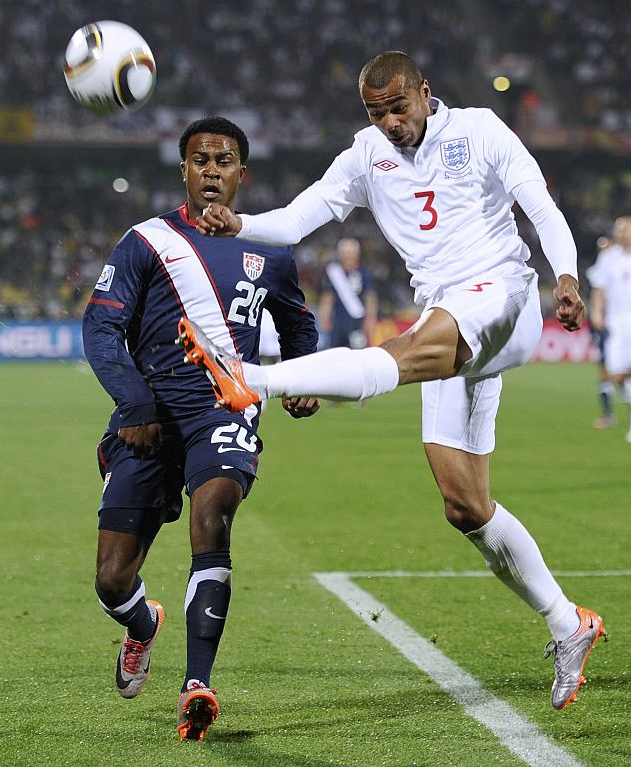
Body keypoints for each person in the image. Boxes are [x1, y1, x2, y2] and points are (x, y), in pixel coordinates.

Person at [180, 52, 606, 711]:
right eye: (376, 113)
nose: (389, 122)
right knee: (464, 504)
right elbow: (298, 217)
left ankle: (251, 379)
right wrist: (241, 224)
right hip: (451, 319)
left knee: (403, 349)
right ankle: (568, 623)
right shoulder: (364, 155)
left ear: (425, 94)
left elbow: (540, 206)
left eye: (397, 108)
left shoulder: (480, 130)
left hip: (504, 295)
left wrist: (568, 278)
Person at [82, 116, 319, 742]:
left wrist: (297, 380)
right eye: (200, 160)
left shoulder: (269, 248)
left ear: (242, 174)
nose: (212, 170)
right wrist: (134, 403)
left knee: (213, 510)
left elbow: (298, 327)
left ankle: (197, 684)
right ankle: (142, 623)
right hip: (150, 420)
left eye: (224, 161)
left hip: (225, 408)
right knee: (111, 579)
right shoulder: (145, 241)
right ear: (184, 170)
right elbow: (100, 329)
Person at [587, 216, 631, 441]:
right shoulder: (608, 257)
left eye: (626, 228)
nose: (622, 232)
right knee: (615, 372)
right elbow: (599, 288)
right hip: (616, 321)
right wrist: (596, 312)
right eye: (620, 228)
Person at [318, 237, 378, 350]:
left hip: (358, 322)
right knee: (335, 353)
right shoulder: (333, 272)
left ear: (357, 254)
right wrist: (324, 318)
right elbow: (328, 298)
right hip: (337, 322)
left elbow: (370, 298)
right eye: (345, 252)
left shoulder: (364, 273)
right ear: (340, 254)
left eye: (351, 252)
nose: (348, 255)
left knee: (358, 353)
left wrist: (370, 319)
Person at [586, 235, 616, 429]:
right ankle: (607, 415)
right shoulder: (599, 270)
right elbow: (595, 296)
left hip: (619, 323)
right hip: (605, 325)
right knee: (604, 368)